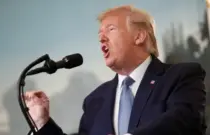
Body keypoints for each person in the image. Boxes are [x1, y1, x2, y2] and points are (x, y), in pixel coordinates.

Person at [24, 5, 207, 135]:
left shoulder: (181, 76)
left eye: (110, 29)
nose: (101, 39)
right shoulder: (95, 100)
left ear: (139, 36)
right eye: (99, 35)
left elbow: (185, 120)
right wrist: (43, 122)